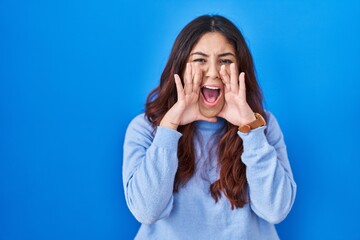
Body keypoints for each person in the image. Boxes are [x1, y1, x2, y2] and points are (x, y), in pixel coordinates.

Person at [122, 14, 296, 239]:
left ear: (240, 71)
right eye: (200, 60)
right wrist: (169, 129)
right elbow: (147, 211)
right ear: (180, 67)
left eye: (225, 60)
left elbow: (276, 210)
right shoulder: (145, 128)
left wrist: (251, 130)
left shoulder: (263, 125)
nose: (213, 72)